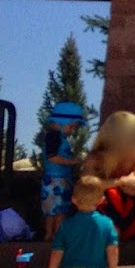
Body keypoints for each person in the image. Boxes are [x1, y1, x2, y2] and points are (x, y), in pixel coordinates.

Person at [80, 111, 135, 240]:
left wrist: (104, 183)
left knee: (112, 194)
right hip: (98, 210)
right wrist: (121, 182)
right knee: (109, 195)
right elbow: (85, 185)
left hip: (132, 215)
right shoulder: (95, 157)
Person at [40, 101, 86, 241]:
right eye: (72, 126)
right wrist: (74, 162)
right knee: (55, 210)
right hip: (55, 180)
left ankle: (54, 234)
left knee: (58, 210)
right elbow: (53, 157)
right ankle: (53, 234)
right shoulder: (53, 137)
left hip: (62, 179)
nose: (72, 131)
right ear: (61, 122)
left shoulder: (58, 137)